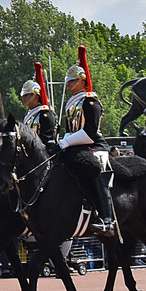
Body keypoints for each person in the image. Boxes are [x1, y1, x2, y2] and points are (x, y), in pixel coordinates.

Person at [57, 46, 116, 238]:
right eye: (68, 81)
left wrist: (66, 141)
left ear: (82, 81)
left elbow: (90, 132)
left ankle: (107, 220)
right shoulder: (72, 102)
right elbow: (70, 129)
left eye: (72, 81)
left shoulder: (90, 101)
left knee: (95, 172)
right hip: (76, 146)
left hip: (94, 146)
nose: (69, 84)